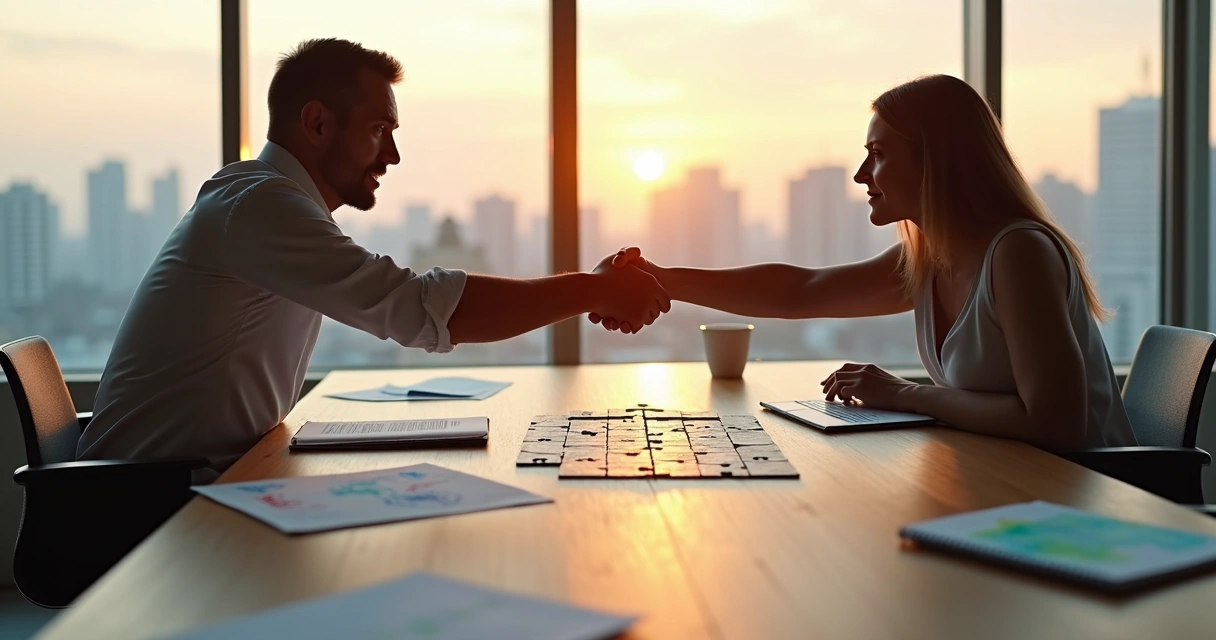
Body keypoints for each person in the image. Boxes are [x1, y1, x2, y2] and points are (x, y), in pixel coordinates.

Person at [78, 39, 670, 480]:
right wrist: (593, 290)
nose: (392, 154)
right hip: (146, 506)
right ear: (317, 123)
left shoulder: (264, 201)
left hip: (201, 482)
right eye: (379, 129)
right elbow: (421, 309)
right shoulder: (260, 207)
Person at [595, 74, 1135, 452]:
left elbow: (1055, 424)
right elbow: (802, 291)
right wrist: (658, 279)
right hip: (1016, 486)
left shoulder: (1018, 254)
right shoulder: (930, 259)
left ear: (936, 161)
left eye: (877, 154)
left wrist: (902, 393)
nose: (860, 175)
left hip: (1086, 503)